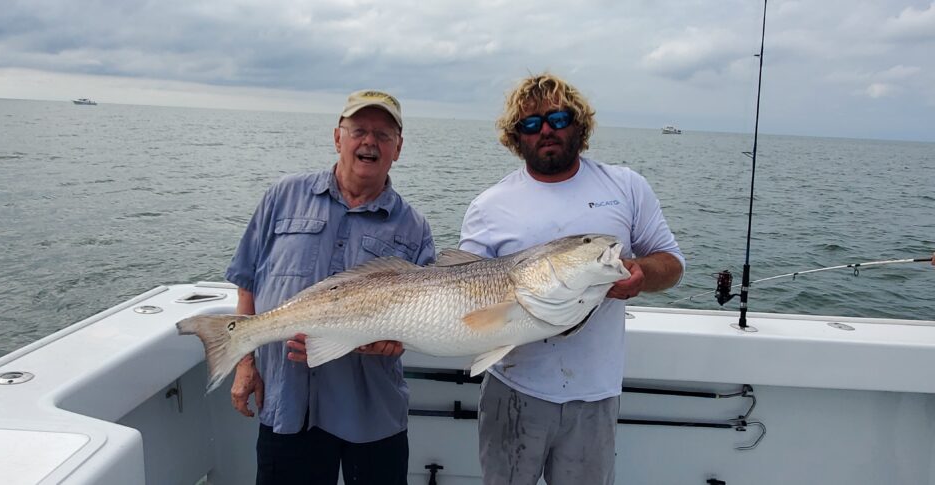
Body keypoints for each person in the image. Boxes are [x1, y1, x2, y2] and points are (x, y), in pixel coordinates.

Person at [459, 73, 685, 485]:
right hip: (512, 387)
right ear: (516, 136)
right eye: (530, 124)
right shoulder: (489, 205)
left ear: (579, 124)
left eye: (558, 118)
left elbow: (672, 263)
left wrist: (641, 273)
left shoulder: (626, 186)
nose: (545, 129)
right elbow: (463, 295)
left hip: (595, 393)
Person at [224, 89, 435, 485]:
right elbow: (247, 280)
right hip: (288, 404)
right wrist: (245, 364)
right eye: (359, 130)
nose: (369, 141)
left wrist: (392, 341)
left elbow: (419, 318)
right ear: (338, 137)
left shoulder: (414, 227)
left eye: (383, 134)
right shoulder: (283, 196)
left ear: (398, 148)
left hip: (372, 413)